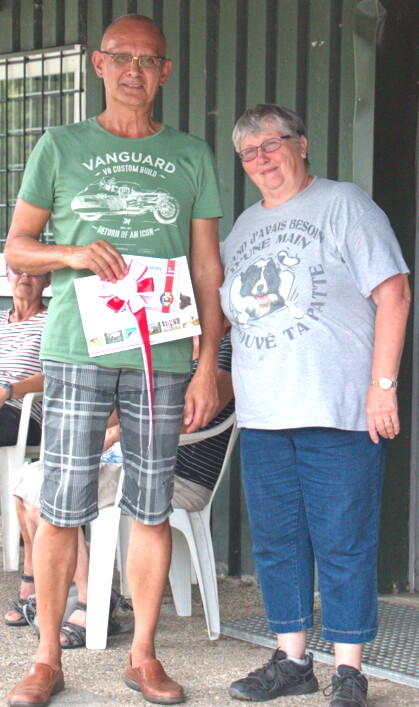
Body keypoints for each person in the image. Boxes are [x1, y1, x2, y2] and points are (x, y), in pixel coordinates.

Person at [5, 13, 224, 707]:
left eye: (149, 59)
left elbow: (206, 265)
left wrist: (208, 362)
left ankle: (143, 655)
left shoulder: (190, 154)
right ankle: (46, 658)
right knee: (61, 507)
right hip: (77, 350)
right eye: (121, 57)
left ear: (165, 72)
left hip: (162, 353)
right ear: (99, 65)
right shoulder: (60, 145)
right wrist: (72, 253)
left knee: (151, 508)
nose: (135, 69)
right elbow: (17, 246)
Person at [219, 104, 410, 707]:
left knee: (343, 543)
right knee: (277, 544)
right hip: (264, 413)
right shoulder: (242, 228)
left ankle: (349, 671)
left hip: (337, 409)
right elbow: (225, 316)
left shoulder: (343, 203)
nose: (262, 158)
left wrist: (383, 386)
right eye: (249, 152)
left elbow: (395, 292)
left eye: (271, 144)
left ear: (301, 144)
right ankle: (293, 661)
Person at [5, 333, 234, 647]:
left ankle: (91, 603)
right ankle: (40, 588)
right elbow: (118, 409)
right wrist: (96, 419)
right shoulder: (169, 338)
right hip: (126, 460)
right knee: (29, 478)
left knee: (42, 489)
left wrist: (114, 433)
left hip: (180, 475)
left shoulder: (224, 349)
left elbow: (194, 415)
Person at [0, 266, 50, 448]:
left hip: (20, 412)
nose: (25, 275)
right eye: (17, 269)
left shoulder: (54, 322)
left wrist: (8, 390)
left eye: (35, 271)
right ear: (7, 274)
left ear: (48, 279)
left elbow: (58, 373)